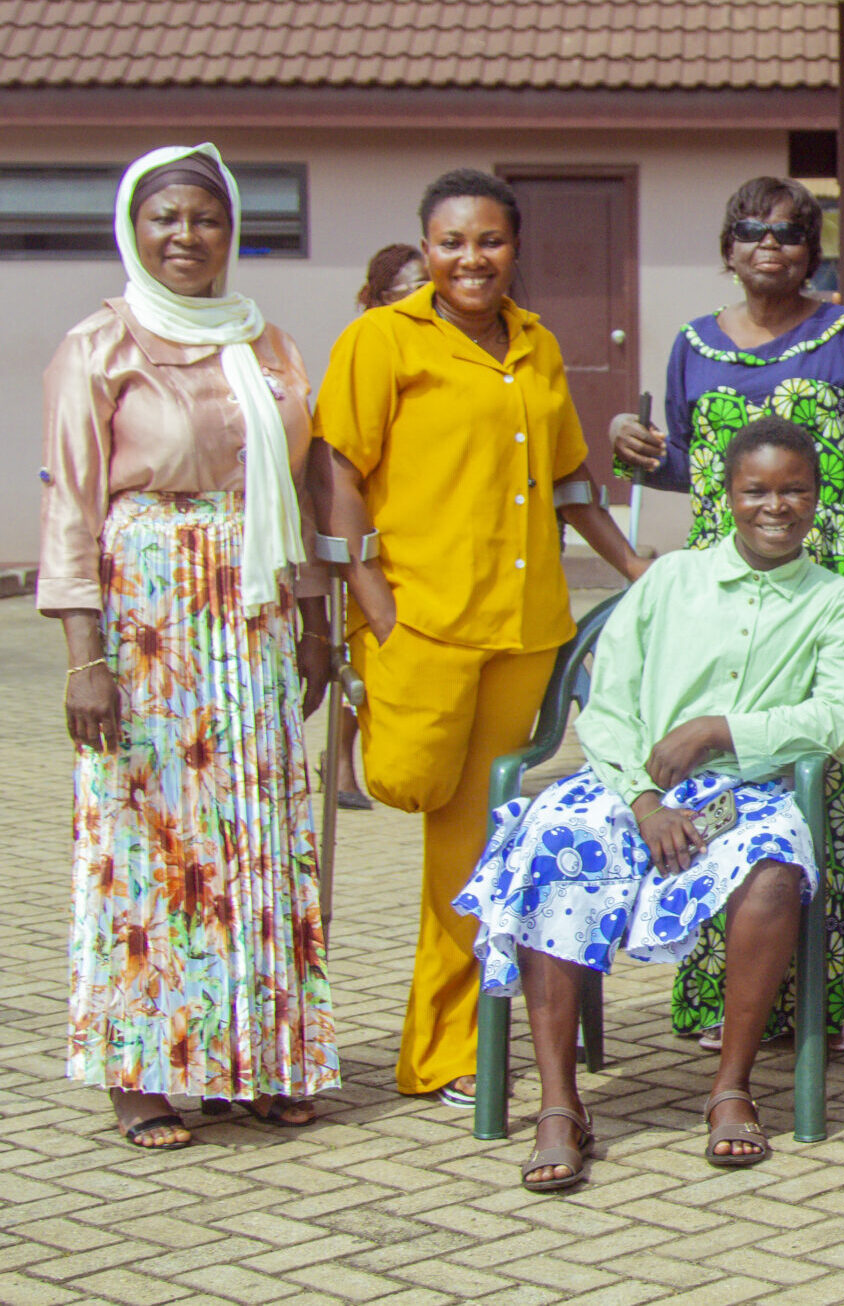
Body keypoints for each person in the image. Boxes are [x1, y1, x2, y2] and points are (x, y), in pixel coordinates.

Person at [457, 418, 844, 1191]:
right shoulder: (669, 580)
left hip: (742, 793)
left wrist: (723, 730)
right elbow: (608, 704)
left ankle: (730, 1088)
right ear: (728, 494)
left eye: (794, 491)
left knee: (771, 868)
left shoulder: (838, 603)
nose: (775, 507)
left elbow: (843, 720)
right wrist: (645, 797)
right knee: (554, 840)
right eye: (757, 490)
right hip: (628, 784)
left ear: (819, 500)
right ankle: (559, 1106)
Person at [314, 168, 651, 1109]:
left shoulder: (537, 344)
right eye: (453, 242)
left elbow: (571, 481)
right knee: (423, 803)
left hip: (524, 632)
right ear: (426, 249)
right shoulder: (381, 340)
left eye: (490, 241)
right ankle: (446, 1039)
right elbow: (335, 471)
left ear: (515, 248)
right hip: (422, 623)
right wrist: (373, 603)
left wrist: (634, 569)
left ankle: (450, 1050)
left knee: (484, 842)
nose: (473, 259)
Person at [43, 143, 338, 1149]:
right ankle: (143, 1072)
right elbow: (73, 511)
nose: (185, 236)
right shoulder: (98, 345)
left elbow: (293, 495)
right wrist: (85, 656)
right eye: (165, 217)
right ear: (134, 225)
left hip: (251, 615)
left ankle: (257, 1058)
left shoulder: (268, 347)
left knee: (255, 836)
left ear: (232, 230)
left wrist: (312, 618)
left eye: (205, 218)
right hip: (146, 620)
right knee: (151, 845)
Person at [606, 176, 844, 1056]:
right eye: (751, 232)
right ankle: (727, 997)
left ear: (813, 250)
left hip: (830, 579)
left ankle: (837, 994)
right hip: (723, 580)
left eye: (789, 233)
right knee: (717, 783)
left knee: (830, 790)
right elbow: (699, 468)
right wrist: (640, 453)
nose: (769, 246)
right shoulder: (693, 344)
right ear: (728, 248)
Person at [322, 242, 431, 813]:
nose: (423, 297)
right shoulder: (369, 343)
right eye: (408, 288)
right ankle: (340, 760)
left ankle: (345, 758)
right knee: (354, 647)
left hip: (410, 540)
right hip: (362, 535)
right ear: (379, 297)